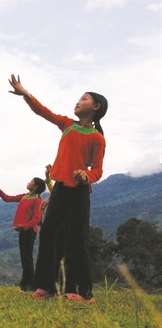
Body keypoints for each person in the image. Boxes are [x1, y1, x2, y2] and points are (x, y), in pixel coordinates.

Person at [9, 74, 108, 302]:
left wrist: (86, 175)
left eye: (83, 99)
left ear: (96, 107)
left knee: (76, 239)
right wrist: (26, 94)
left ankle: (83, 292)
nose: (78, 102)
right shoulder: (67, 125)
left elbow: (98, 170)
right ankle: (48, 287)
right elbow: (44, 112)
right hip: (61, 190)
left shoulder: (97, 138)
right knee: (48, 235)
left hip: (79, 191)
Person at [0, 177, 45, 292]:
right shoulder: (24, 196)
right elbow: (8, 199)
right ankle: (26, 285)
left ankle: (29, 285)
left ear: (36, 186)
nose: (29, 182)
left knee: (27, 258)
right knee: (24, 258)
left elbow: (37, 218)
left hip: (29, 231)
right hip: (22, 230)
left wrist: (25, 226)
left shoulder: (37, 200)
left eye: (31, 181)